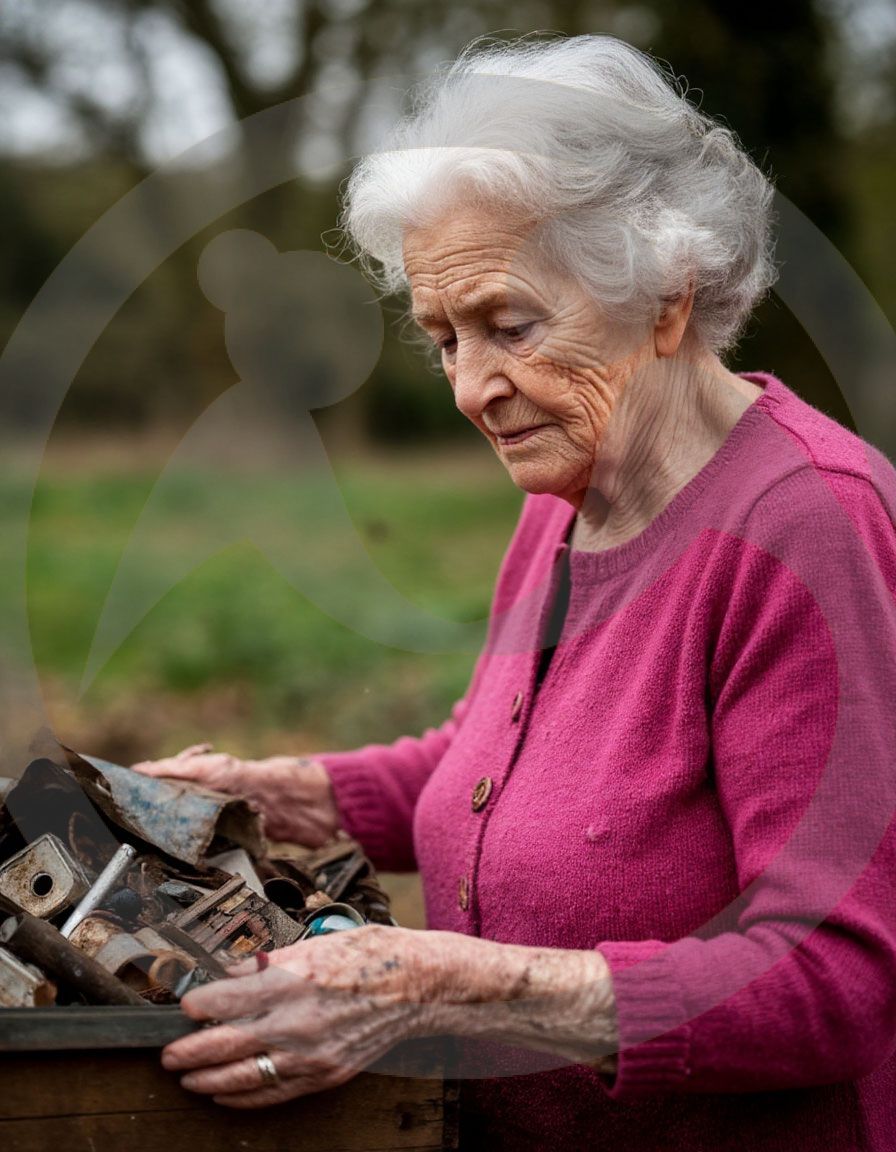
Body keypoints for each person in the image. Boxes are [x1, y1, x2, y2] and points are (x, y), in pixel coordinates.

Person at [132, 33, 896, 1150]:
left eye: (510, 325)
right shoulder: (567, 486)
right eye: (444, 339)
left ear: (666, 297)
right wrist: (279, 791)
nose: (472, 388)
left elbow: (832, 977)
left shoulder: (810, 527)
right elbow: (492, 766)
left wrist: (443, 986)